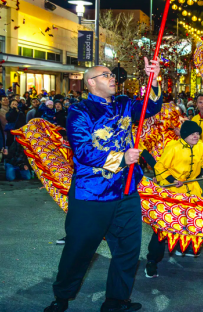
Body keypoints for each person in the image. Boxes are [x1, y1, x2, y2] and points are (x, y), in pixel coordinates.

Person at [44, 60, 162, 312]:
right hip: (92, 193)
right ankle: (62, 297)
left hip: (126, 190)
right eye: (105, 75)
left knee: (129, 250)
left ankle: (116, 301)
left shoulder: (124, 103)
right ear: (91, 82)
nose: (112, 78)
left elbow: (150, 107)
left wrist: (154, 79)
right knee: (79, 250)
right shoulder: (80, 111)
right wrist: (121, 158)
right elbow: (83, 151)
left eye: (112, 74)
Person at [144, 120, 203, 277]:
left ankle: (183, 247)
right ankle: (152, 261)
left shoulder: (200, 145)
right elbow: (159, 167)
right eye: (193, 133)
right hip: (172, 192)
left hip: (192, 190)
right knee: (163, 227)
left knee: (189, 220)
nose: (196, 136)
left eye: (198, 133)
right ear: (184, 135)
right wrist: (172, 180)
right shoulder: (173, 147)